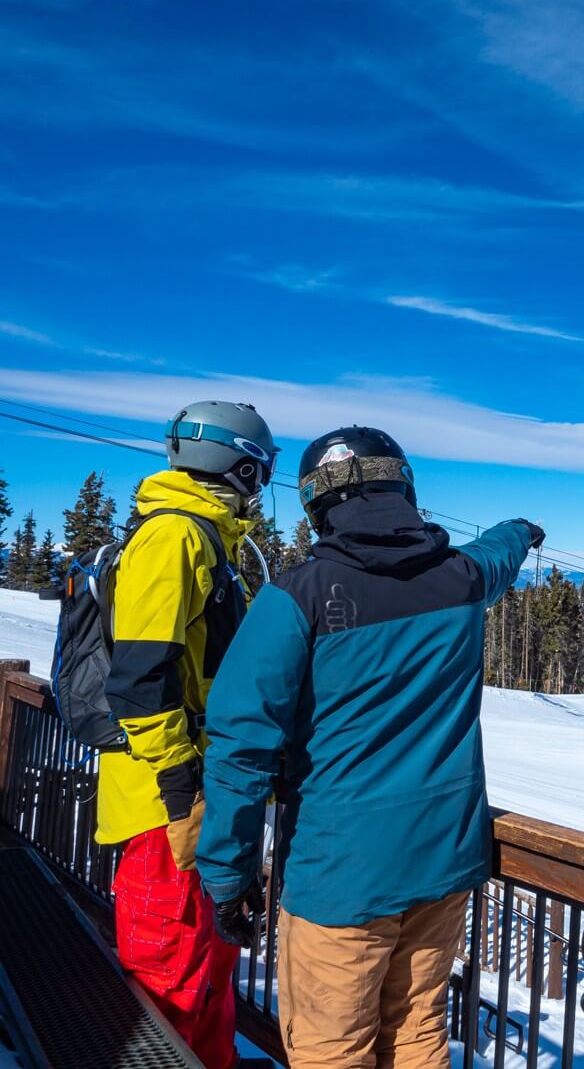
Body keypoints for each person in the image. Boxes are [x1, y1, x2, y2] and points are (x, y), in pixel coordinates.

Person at [196, 426, 542, 1069]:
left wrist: (226, 876)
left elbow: (241, 747)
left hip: (340, 875)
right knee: (416, 1035)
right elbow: (497, 555)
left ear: (317, 504)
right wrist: (521, 530)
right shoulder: (460, 578)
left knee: (333, 1051)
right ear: (402, 484)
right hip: (443, 861)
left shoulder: (295, 596)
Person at [99, 401, 278, 1069]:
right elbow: (140, 679)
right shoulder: (175, 536)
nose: (259, 488)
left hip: (203, 794)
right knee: (169, 976)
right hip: (169, 804)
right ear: (237, 465)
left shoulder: (203, 535)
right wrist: (181, 786)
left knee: (209, 964)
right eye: (258, 471)